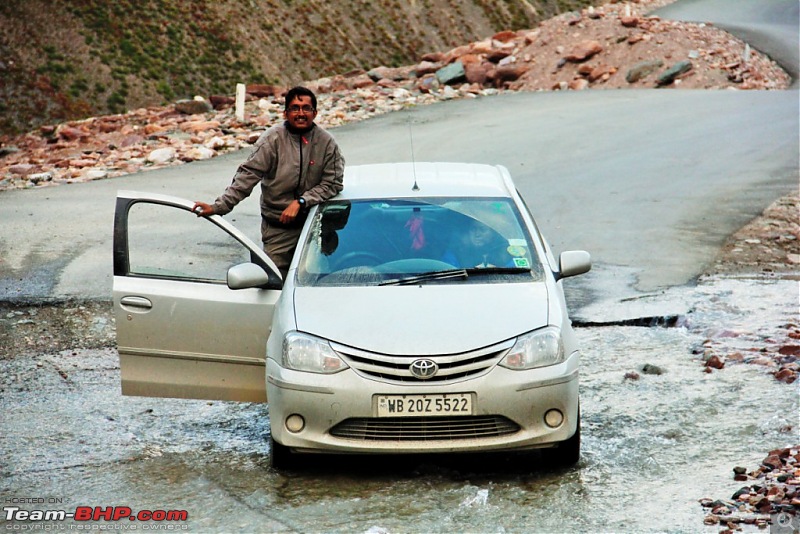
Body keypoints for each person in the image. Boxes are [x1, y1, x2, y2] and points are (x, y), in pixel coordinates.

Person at [193, 86, 345, 279]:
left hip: (317, 227)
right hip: (278, 228)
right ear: (285, 113)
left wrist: (302, 202)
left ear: (314, 113)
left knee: (322, 280)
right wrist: (218, 207)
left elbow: (333, 183)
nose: (300, 113)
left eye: (306, 108)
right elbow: (248, 175)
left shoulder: (327, 143)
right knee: (271, 281)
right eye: (295, 108)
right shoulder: (272, 140)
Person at [442, 218, 512, 268]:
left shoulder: (507, 253)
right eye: (473, 229)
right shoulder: (456, 253)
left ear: (493, 233)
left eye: (482, 230)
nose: (477, 234)